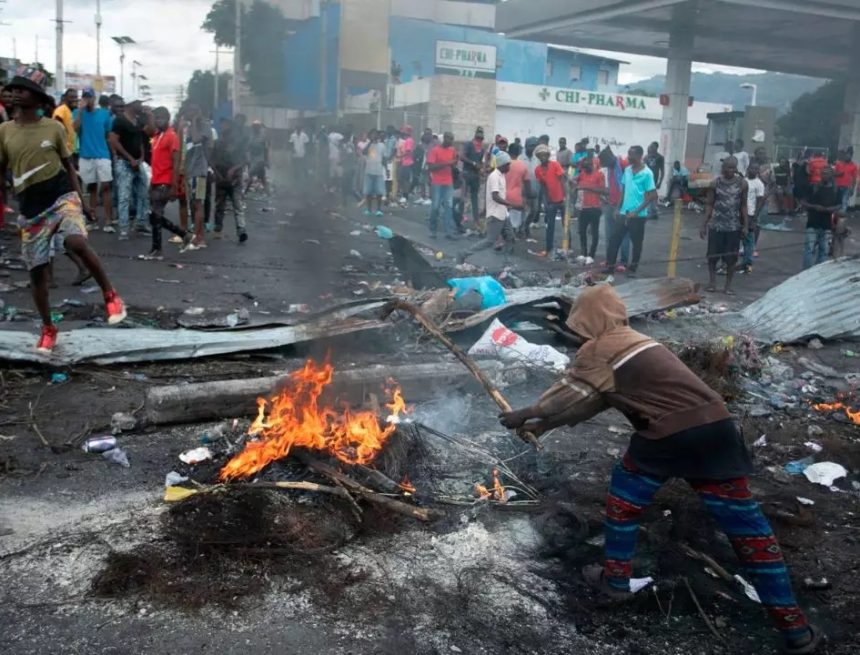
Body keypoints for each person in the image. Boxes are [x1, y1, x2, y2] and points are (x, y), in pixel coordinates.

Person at [498, 285, 822, 655]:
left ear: (589, 319)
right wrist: (544, 426)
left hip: (668, 435)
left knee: (624, 497)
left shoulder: (600, 347)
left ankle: (616, 581)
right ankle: (795, 629)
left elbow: (568, 391)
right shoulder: (637, 341)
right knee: (747, 529)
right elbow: (595, 401)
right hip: (717, 431)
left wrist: (526, 413)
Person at [0, 73, 127, 353]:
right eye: (13, 90)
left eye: (23, 90)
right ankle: (48, 328)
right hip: (31, 209)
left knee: (75, 242)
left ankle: (110, 294)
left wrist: (81, 201)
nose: (16, 94)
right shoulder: (5, 131)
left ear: (37, 98)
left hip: (61, 197)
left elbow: (69, 166)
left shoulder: (54, 128)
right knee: (37, 274)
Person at [144, 106, 193, 260]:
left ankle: (157, 249)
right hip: (156, 179)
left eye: (161, 118)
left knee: (156, 214)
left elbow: (176, 161)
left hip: (166, 181)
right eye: (157, 118)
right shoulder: (158, 136)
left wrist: (174, 185)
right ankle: (182, 235)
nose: (159, 121)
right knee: (155, 216)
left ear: (168, 118)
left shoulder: (172, 136)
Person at [604, 146, 657, 276]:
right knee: (614, 240)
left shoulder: (647, 173)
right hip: (623, 212)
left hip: (638, 216)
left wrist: (637, 211)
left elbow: (652, 195)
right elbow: (623, 190)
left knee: (636, 243)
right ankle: (610, 267)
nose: (629, 158)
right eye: (628, 155)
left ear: (639, 156)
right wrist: (617, 208)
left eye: (631, 155)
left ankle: (633, 268)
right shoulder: (627, 170)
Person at [700, 156, 748, 294]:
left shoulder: (742, 184)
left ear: (736, 168)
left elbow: (743, 205)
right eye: (727, 167)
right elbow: (709, 204)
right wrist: (704, 224)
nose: (729, 170)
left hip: (733, 227)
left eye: (732, 168)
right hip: (716, 225)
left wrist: (745, 225)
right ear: (723, 168)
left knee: (731, 258)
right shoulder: (715, 183)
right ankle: (712, 282)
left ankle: (728, 286)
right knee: (712, 256)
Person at [109, 97, 154, 240]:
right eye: (138, 103)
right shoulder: (120, 121)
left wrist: (140, 157)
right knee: (124, 196)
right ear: (131, 104)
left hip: (137, 162)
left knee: (143, 193)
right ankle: (124, 229)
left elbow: (144, 137)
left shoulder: (138, 121)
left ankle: (141, 223)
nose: (140, 105)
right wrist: (129, 158)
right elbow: (113, 140)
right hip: (124, 162)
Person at [459, 151, 515, 262]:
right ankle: (464, 253)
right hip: (495, 215)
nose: (509, 166)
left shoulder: (502, 176)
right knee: (490, 240)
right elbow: (495, 196)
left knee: (510, 237)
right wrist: (509, 204)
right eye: (508, 164)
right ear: (502, 164)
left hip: (503, 213)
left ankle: (506, 262)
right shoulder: (494, 176)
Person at [75, 90, 114, 231]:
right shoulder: (78, 113)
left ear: (94, 98)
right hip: (86, 155)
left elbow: (108, 134)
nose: (87, 99)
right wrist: (80, 111)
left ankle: (109, 221)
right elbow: (75, 129)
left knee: (106, 186)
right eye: (85, 97)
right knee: (91, 188)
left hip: (103, 155)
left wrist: (113, 153)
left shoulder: (104, 114)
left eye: (89, 97)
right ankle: (92, 219)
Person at [211, 118, 248, 244]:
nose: (224, 127)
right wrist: (217, 175)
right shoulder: (217, 143)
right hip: (221, 179)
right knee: (219, 206)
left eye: (226, 125)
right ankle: (217, 228)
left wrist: (233, 170)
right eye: (222, 125)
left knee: (238, 205)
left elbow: (243, 161)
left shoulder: (238, 144)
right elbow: (212, 161)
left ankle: (241, 230)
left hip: (235, 180)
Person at [180, 105, 212, 248]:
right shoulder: (186, 128)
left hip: (199, 171)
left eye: (189, 112)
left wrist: (194, 121)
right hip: (190, 171)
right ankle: (197, 235)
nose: (186, 114)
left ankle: (200, 237)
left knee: (198, 204)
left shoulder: (204, 126)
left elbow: (197, 139)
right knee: (193, 204)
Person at [800, 165, 839, 270]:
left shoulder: (835, 189)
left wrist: (829, 209)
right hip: (813, 222)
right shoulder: (813, 187)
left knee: (824, 250)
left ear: (831, 175)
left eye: (827, 173)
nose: (824, 175)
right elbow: (803, 201)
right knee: (809, 248)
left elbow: (839, 205)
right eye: (823, 173)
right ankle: (806, 273)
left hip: (827, 224)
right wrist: (814, 207)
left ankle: (818, 272)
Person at [571, 156, 606, 265]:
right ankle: (583, 253)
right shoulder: (582, 174)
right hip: (583, 207)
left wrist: (586, 188)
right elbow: (574, 180)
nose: (586, 169)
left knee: (594, 232)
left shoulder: (599, 175)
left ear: (593, 165)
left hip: (595, 207)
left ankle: (591, 255)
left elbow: (602, 190)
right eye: (584, 167)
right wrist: (574, 184)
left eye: (588, 166)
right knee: (582, 231)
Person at [599, 147, 630, 268]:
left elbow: (626, 188)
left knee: (623, 235)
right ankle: (610, 260)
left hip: (623, 206)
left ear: (611, 159)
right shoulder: (611, 167)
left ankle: (624, 262)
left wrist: (620, 206)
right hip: (611, 204)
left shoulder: (623, 165)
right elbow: (612, 186)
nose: (605, 166)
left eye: (605, 163)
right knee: (610, 235)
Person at [533, 144, 566, 258]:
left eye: (544, 155)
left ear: (548, 155)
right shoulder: (537, 170)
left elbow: (562, 181)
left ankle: (567, 247)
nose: (543, 157)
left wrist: (565, 197)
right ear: (538, 157)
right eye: (540, 156)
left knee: (565, 225)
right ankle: (549, 248)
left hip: (562, 199)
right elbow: (543, 186)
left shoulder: (555, 165)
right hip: (551, 201)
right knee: (550, 225)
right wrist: (546, 201)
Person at [426, 131, 458, 239]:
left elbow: (453, 165)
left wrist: (454, 164)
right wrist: (447, 163)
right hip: (437, 182)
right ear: (444, 138)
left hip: (448, 182)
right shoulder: (435, 150)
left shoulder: (452, 150)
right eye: (449, 138)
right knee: (435, 207)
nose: (451, 141)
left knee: (449, 207)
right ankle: (432, 230)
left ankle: (448, 232)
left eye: (452, 139)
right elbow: (431, 167)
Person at [739, 163, 765, 274]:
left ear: (758, 171)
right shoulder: (743, 181)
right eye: (751, 168)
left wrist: (754, 217)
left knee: (748, 240)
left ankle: (747, 265)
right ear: (748, 169)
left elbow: (760, 201)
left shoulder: (759, 184)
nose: (753, 170)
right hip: (739, 212)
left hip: (750, 213)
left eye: (756, 169)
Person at [504, 142, 530, 236]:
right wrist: (527, 197)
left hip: (502, 197)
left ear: (508, 151)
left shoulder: (503, 164)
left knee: (503, 221)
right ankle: (512, 238)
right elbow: (527, 184)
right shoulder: (522, 166)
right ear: (519, 152)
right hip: (516, 198)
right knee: (514, 223)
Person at [461, 126, 486, 222]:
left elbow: (480, 162)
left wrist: (481, 170)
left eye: (481, 137)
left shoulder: (482, 148)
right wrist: (473, 163)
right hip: (467, 174)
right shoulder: (469, 145)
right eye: (478, 137)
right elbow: (462, 157)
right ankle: (460, 218)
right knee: (463, 197)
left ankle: (476, 220)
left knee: (474, 198)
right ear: (475, 135)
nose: (479, 139)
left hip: (475, 176)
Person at [362, 129, 386, 217]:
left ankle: (379, 209)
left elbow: (384, 158)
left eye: (376, 135)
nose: (374, 136)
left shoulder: (382, 145)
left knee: (379, 192)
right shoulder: (367, 145)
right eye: (372, 135)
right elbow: (364, 152)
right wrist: (370, 143)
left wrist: (386, 169)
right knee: (368, 191)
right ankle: (369, 209)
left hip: (378, 171)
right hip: (369, 171)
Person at [52, 88, 79, 160]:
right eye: (71, 97)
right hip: (65, 151)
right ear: (65, 98)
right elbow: (56, 129)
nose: (74, 99)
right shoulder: (62, 109)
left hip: (73, 150)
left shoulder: (72, 111)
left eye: (76, 97)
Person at [245, 121, 269, 196]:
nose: (255, 128)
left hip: (260, 159)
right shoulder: (250, 137)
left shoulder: (263, 137)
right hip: (252, 159)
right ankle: (245, 192)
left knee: (254, 175)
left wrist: (267, 161)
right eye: (254, 127)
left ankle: (244, 192)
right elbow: (247, 148)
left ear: (259, 128)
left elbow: (266, 150)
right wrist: (247, 158)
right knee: (259, 177)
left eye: (257, 127)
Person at [644, 141, 664, 216]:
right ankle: (652, 211)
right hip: (646, 178)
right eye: (650, 146)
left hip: (654, 178)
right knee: (648, 194)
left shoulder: (660, 157)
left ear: (656, 148)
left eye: (652, 147)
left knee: (652, 194)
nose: (651, 148)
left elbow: (662, 171)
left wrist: (660, 182)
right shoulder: (646, 157)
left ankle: (652, 211)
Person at [396, 125, 414, 204]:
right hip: (405, 162)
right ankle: (404, 194)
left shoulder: (409, 140)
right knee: (402, 179)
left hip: (407, 162)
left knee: (405, 180)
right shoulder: (407, 140)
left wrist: (400, 156)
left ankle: (405, 196)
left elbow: (408, 151)